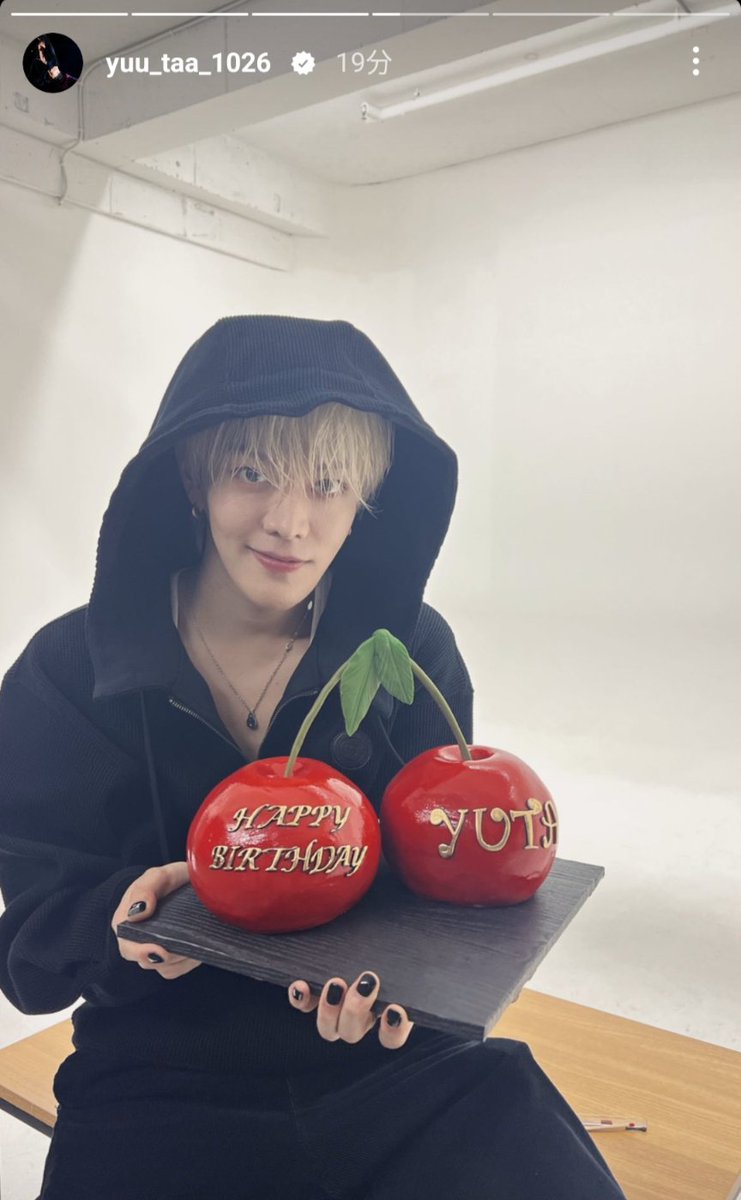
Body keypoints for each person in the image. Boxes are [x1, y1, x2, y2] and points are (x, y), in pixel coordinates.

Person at [0, 316, 627, 1199]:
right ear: (192, 477)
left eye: (328, 483)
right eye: (252, 473)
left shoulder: (408, 655)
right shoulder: (71, 671)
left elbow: (439, 892)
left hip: (394, 1067)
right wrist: (127, 924)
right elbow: (33, 939)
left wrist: (403, 990)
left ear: (368, 495)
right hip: (157, 1075)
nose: (290, 522)